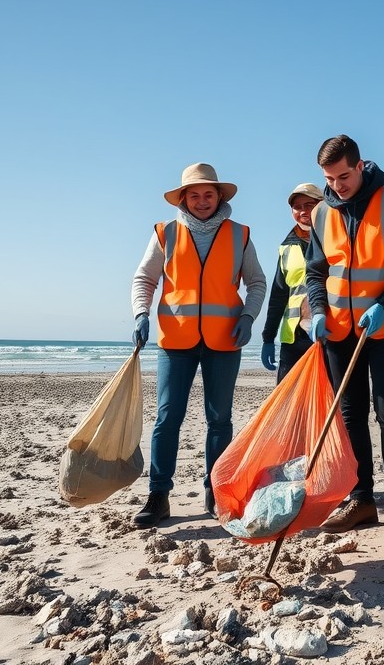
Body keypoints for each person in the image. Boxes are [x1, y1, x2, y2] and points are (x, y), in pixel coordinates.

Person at [130, 162, 267, 526]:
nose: (202, 201)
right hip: (176, 340)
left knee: (219, 419)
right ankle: (158, 495)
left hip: (225, 340)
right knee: (166, 417)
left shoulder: (240, 234)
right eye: (195, 195)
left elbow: (257, 282)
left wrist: (248, 317)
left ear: (219, 196)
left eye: (209, 194)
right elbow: (144, 278)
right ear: (184, 198)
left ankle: (215, 489)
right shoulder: (165, 233)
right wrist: (141, 313)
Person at [305, 134, 384, 546]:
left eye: (343, 175)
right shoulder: (321, 214)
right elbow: (315, 272)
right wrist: (317, 311)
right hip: (339, 329)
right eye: (329, 178)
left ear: (359, 166)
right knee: (350, 415)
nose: (337, 184)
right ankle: (362, 499)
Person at [260, 183, 325, 383]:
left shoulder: (335, 239)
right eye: (297, 207)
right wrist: (268, 337)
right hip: (294, 338)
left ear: (322, 206)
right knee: (288, 404)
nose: (303, 211)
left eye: (309, 204)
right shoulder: (286, 248)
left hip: (328, 334)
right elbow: (278, 295)